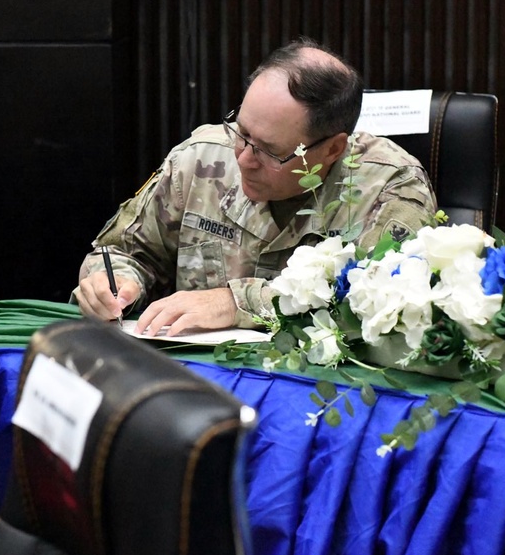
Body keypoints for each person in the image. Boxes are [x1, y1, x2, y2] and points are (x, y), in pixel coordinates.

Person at [75, 37, 436, 335]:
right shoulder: (201, 159)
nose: (244, 158)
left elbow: (387, 307)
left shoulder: (391, 187)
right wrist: (116, 285)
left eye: (269, 150)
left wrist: (237, 303)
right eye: (242, 132)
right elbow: (123, 253)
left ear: (332, 149)